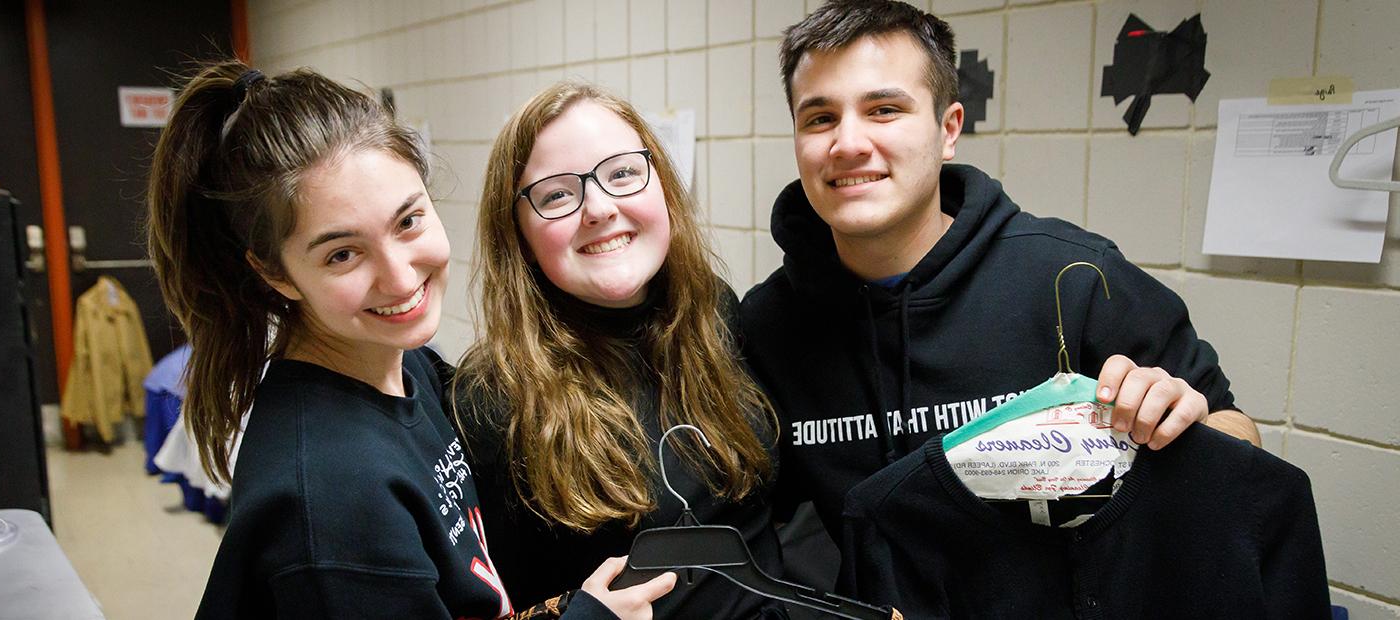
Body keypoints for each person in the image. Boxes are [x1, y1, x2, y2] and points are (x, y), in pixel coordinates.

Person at [740, 0, 1261, 569]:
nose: (847, 143)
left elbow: (1240, 436)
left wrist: (1183, 419)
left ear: (948, 129)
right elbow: (756, 516)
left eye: (884, 109)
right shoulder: (768, 326)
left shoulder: (1073, 279)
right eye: (819, 118)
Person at [146, 61, 674, 619]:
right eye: (342, 254)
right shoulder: (332, 495)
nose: (400, 279)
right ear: (275, 273)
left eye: (408, 222)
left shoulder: (406, 365)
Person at [453, 81, 787, 619]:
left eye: (623, 173)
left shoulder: (715, 314)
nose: (599, 208)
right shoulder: (491, 401)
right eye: (558, 194)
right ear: (520, 238)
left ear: (663, 188)